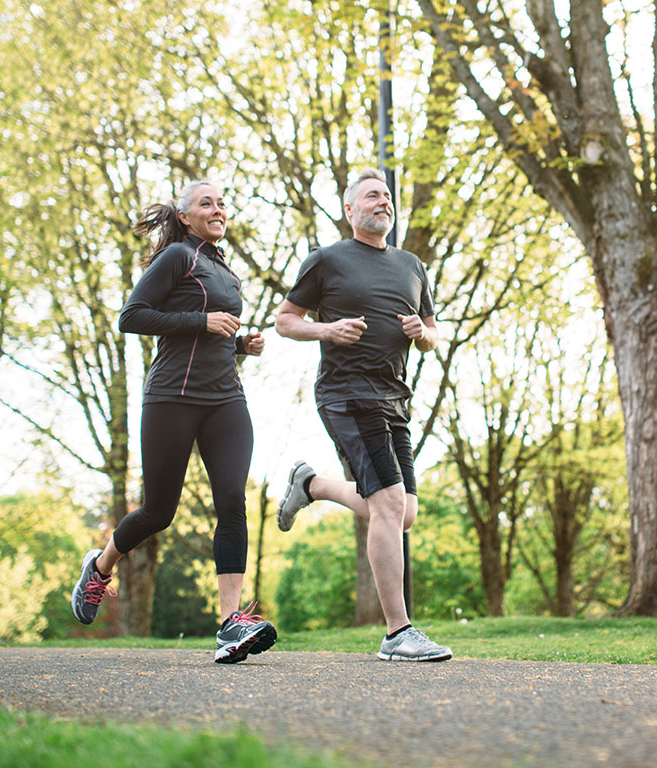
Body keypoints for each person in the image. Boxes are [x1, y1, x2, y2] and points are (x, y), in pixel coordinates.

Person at [71, 180, 277, 664]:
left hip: (226, 398)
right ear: (185, 216)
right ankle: (100, 566)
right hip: (171, 397)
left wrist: (238, 344)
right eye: (207, 203)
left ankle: (230, 623)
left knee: (232, 499)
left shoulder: (224, 268)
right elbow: (132, 316)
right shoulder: (177, 257)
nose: (218, 208)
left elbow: (210, 333)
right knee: (159, 511)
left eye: (223, 202)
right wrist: (201, 323)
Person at [274, 168, 452, 662]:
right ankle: (398, 633)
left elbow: (436, 334)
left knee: (404, 514)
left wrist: (423, 332)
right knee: (391, 504)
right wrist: (327, 330)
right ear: (350, 210)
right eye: (372, 196)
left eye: (388, 197)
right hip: (347, 393)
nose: (383, 202)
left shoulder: (412, 265)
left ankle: (312, 485)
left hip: (395, 396)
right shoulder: (327, 259)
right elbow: (285, 321)